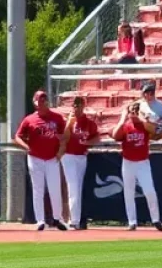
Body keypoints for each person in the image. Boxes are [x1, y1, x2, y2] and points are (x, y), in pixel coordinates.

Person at [13, 90, 67, 231]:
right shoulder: (29, 119)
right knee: (38, 189)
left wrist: (61, 151)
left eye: (43, 101)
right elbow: (17, 136)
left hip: (52, 158)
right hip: (35, 157)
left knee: (55, 189)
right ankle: (40, 220)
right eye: (38, 102)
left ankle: (57, 219)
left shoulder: (57, 118)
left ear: (47, 102)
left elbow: (64, 136)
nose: (40, 104)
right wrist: (26, 147)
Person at [112, 101, 162, 231]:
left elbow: (156, 131)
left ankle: (156, 219)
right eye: (131, 110)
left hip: (142, 162)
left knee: (149, 191)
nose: (133, 113)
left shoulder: (144, 125)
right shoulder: (126, 125)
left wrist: (142, 118)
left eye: (136, 110)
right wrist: (123, 118)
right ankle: (132, 221)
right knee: (128, 192)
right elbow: (115, 135)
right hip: (128, 162)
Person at [58, 96, 99, 229]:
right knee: (73, 186)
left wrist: (88, 143)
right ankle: (74, 220)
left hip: (81, 156)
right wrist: (69, 122)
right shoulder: (68, 121)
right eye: (75, 105)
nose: (76, 107)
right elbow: (63, 138)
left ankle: (76, 218)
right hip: (68, 156)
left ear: (83, 106)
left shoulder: (88, 122)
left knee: (78, 187)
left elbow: (96, 137)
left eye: (79, 104)